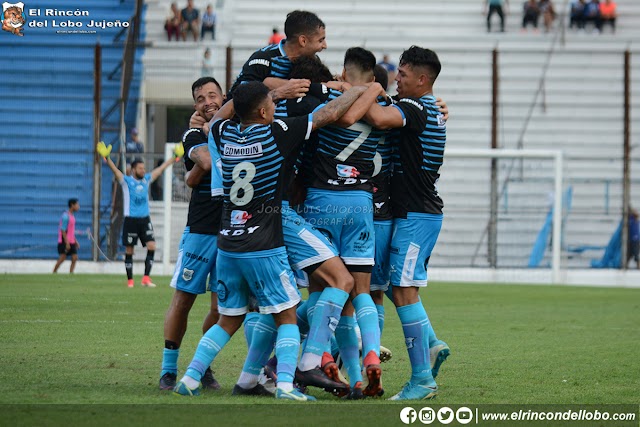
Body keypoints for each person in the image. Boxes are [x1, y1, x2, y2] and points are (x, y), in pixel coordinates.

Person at [173, 81, 370, 400]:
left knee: (229, 319)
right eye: (272, 105)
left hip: (228, 241)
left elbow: (221, 116)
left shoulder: (222, 133)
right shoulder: (277, 132)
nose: (276, 108)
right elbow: (329, 113)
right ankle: (287, 386)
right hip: (264, 240)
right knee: (289, 315)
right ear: (264, 111)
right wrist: (361, 89)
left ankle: (191, 378)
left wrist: (252, 97)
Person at [362, 46, 450, 400]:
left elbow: (381, 119)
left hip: (418, 214)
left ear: (422, 79)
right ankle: (431, 344)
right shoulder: (425, 106)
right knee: (398, 286)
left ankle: (422, 380)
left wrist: (359, 90)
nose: (397, 78)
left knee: (402, 290)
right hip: (411, 213)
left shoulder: (417, 107)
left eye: (403, 73)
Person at [159, 77, 225, 391]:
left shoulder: (238, 128)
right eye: (201, 98)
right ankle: (168, 371)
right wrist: (211, 134)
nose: (208, 101)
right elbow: (207, 162)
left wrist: (193, 175)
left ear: (225, 97)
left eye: (213, 95)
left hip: (234, 230)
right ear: (195, 106)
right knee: (183, 299)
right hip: (201, 229)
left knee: (221, 308)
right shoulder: (191, 133)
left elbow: (195, 176)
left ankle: (203, 366)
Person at [96, 143, 183, 287]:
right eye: (141, 168)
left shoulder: (147, 179)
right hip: (131, 220)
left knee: (152, 246)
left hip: (145, 220)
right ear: (134, 170)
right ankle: (130, 280)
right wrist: (107, 158)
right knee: (130, 250)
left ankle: (146, 278)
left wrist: (174, 158)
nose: (143, 170)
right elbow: (115, 170)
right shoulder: (126, 181)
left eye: (144, 168)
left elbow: (160, 169)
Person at [227, 10, 327, 97]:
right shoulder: (262, 60)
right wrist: (278, 93)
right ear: (303, 41)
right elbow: (239, 100)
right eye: (320, 40)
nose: (325, 46)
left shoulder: (311, 61)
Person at [53, 198, 80, 274]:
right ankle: (54, 272)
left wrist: (75, 241)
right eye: (77, 204)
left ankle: (71, 274)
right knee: (63, 257)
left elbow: (71, 231)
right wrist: (67, 242)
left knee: (74, 257)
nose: (78, 206)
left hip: (71, 241)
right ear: (72, 205)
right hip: (64, 241)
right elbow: (63, 230)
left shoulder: (72, 216)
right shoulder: (65, 216)